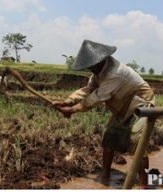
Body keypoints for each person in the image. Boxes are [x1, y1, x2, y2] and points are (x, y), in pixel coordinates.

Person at [52, 39, 155, 188]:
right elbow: (88, 90)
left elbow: (98, 96)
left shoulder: (116, 73)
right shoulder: (98, 73)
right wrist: (68, 102)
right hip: (121, 109)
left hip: (141, 106)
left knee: (138, 143)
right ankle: (105, 178)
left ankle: (144, 185)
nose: (90, 69)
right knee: (109, 138)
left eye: (91, 65)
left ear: (101, 60)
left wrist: (74, 110)